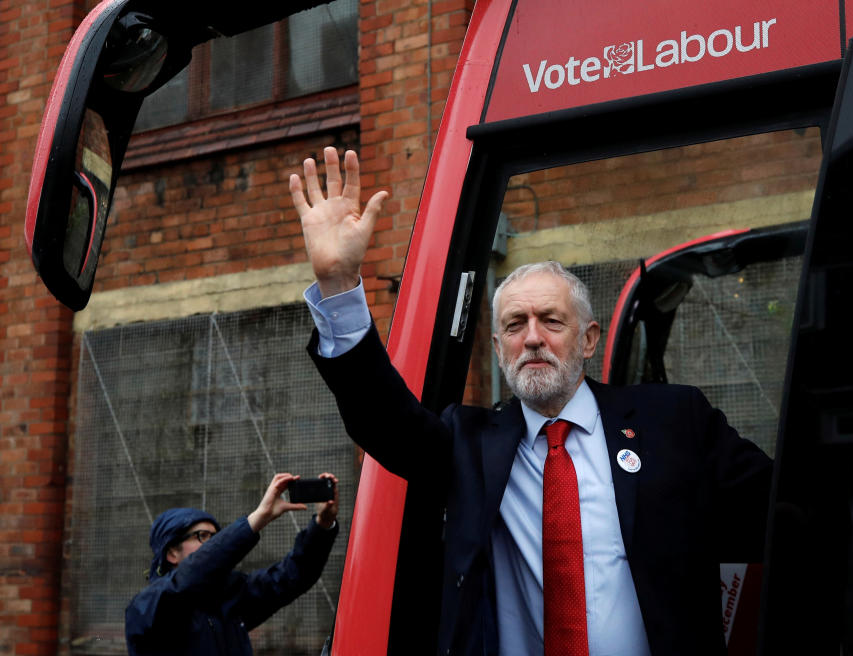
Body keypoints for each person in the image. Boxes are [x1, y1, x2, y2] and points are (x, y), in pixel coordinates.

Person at [290, 148, 773, 655]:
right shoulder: (469, 442)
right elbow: (384, 420)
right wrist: (339, 284)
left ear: (588, 340)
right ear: (499, 350)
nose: (534, 338)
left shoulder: (674, 421)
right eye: (515, 326)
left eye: (552, 320)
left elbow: (782, 512)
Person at [125, 472, 339, 656]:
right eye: (202, 536)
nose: (212, 544)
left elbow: (291, 576)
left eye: (216, 537)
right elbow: (194, 572)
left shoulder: (228, 598)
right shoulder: (148, 606)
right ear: (172, 552)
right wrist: (256, 519)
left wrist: (323, 525)